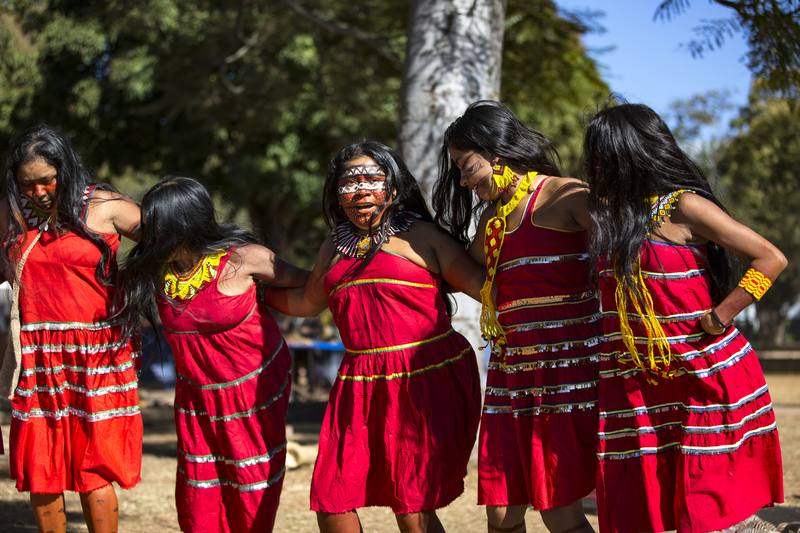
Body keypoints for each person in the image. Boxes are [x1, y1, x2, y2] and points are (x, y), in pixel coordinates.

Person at [584, 103, 785, 533]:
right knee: (644, 506)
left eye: (602, 153)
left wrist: (720, 316)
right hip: (634, 382)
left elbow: (770, 258)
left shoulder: (683, 207)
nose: (595, 164)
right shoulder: (608, 218)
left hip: (701, 372)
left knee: (706, 511)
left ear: (629, 152)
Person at [264, 141, 483, 533]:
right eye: (349, 183)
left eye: (371, 179)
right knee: (333, 499)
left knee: (412, 508)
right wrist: (252, 291)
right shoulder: (333, 245)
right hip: (359, 382)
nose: (361, 190)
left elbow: (484, 286)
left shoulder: (424, 237)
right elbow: (306, 302)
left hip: (424, 378)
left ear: (394, 188)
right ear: (336, 194)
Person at [433, 100, 600, 533]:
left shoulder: (568, 195)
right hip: (513, 375)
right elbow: (458, 272)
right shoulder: (493, 219)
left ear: (496, 153)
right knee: (502, 514)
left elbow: (624, 255)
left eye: (464, 165)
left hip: (567, 374)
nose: (462, 180)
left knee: (559, 510)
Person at [118, 176, 308, 532]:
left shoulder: (245, 260)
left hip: (251, 396)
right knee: (199, 498)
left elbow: (309, 287)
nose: (151, 238)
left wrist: (263, 300)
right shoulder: (158, 271)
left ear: (187, 226)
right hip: (196, 400)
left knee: (250, 493)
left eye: (159, 229)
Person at [0, 125, 142, 533]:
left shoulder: (105, 206)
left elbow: (170, 242)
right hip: (37, 354)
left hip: (96, 353)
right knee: (40, 465)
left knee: (93, 466)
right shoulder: (10, 216)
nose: (39, 191)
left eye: (47, 179)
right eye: (28, 184)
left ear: (66, 167)